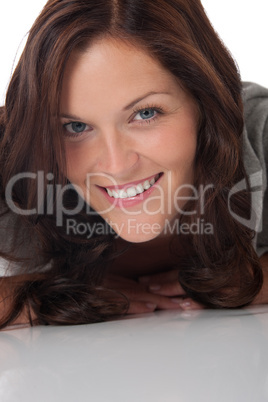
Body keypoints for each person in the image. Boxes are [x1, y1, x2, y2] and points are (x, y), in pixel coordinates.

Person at [0, 0, 267, 330]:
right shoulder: (14, 153)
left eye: (145, 113)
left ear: (205, 101)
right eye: (75, 126)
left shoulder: (258, 131)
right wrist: (42, 296)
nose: (115, 165)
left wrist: (258, 277)